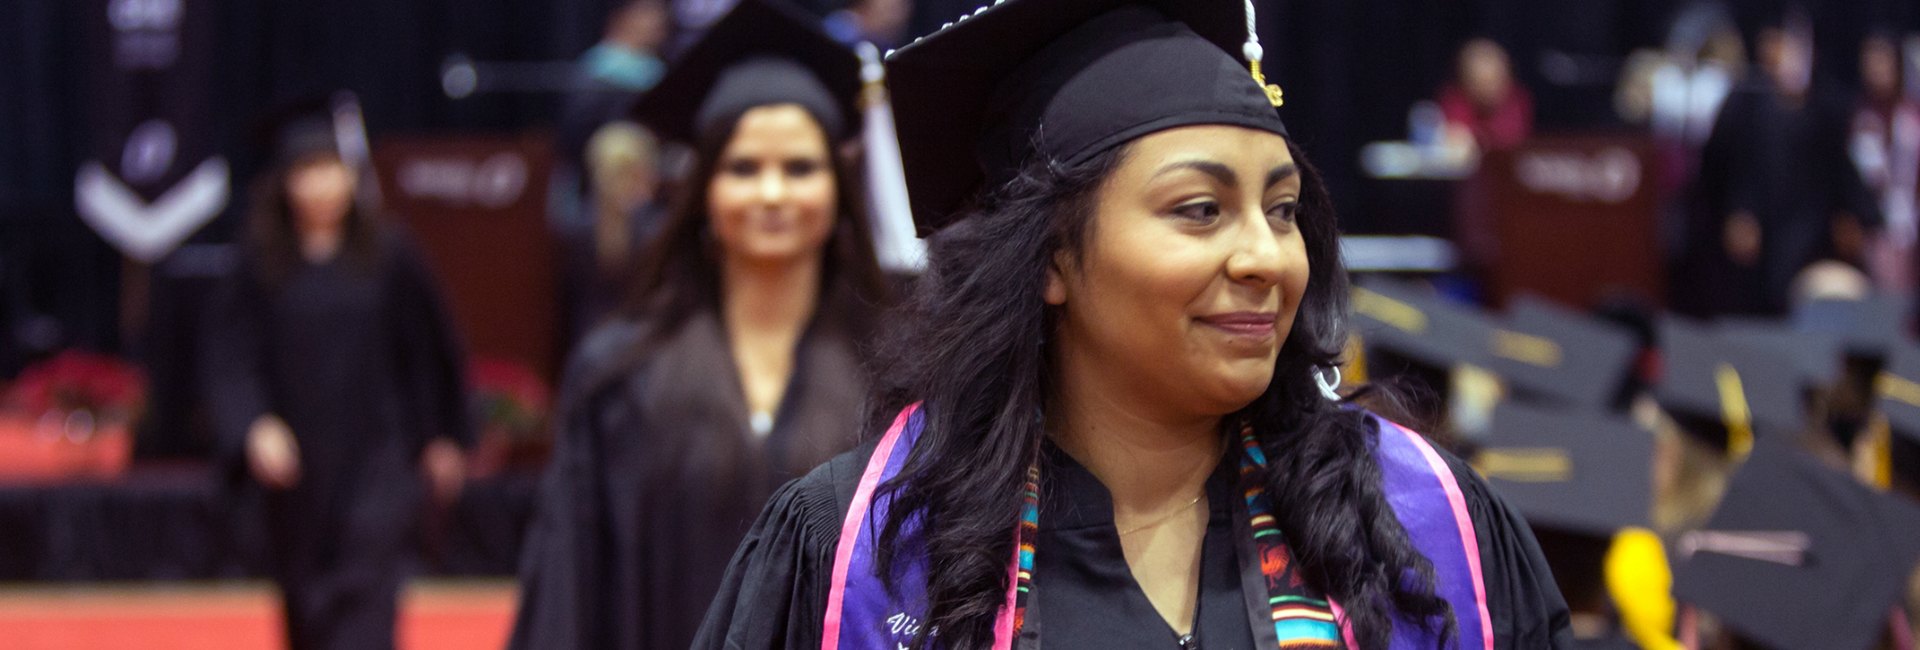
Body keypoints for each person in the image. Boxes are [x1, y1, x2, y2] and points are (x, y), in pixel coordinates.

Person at [695, 1, 1571, 648]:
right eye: (1199, 209)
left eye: (1283, 209)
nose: (1266, 255)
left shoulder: (1416, 523)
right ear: (1051, 263)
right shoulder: (863, 550)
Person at [508, 1, 890, 648]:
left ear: (838, 189)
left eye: (800, 168)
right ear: (705, 191)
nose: (772, 194)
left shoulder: (893, 373)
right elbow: (569, 589)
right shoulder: (622, 374)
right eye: (743, 168)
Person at [200, 97, 472, 650]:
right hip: (298, 470)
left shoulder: (389, 254)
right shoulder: (261, 261)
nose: (322, 188)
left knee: (368, 601)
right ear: (285, 184)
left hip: (379, 457)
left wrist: (443, 434)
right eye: (308, 173)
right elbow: (232, 357)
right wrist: (254, 426)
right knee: (309, 609)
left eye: (332, 172)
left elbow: (429, 348)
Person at [1850, 29, 1920, 294]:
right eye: (1870, 60)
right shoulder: (1857, 116)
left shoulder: (1912, 116)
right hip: (1871, 227)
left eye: (1883, 59)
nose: (1876, 68)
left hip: (1911, 224)